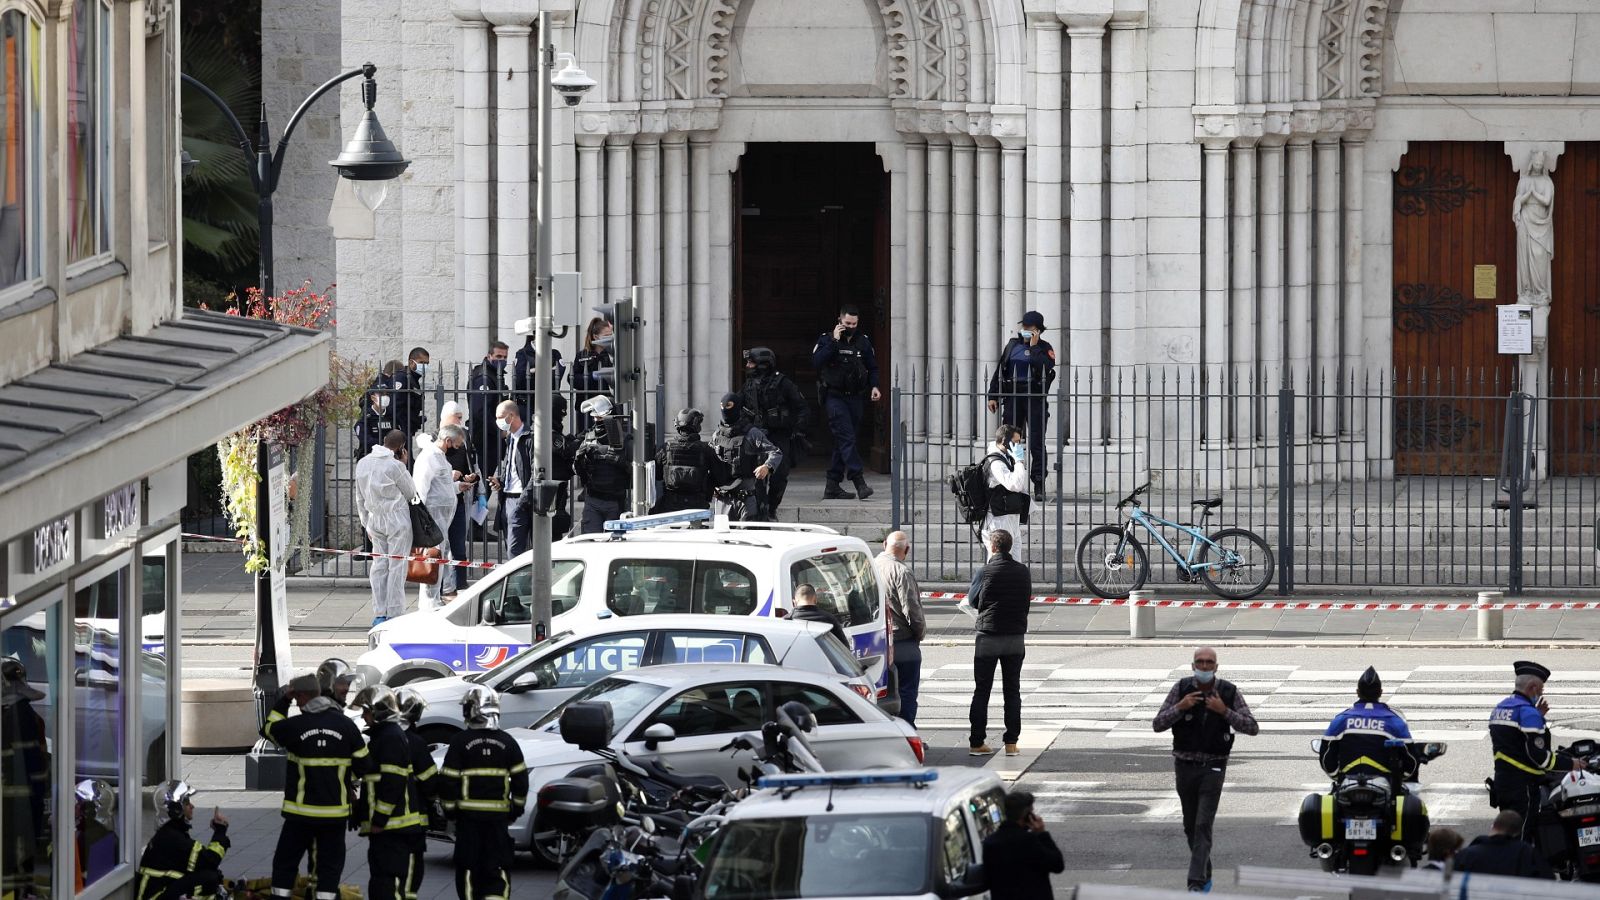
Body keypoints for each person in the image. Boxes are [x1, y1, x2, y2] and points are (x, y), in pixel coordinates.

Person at [1151, 647, 1260, 893]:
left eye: (1209, 662)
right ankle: (1205, 870)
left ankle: (1196, 883)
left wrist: (1224, 711)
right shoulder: (1181, 689)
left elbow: (1252, 727)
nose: (1204, 666)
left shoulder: (1228, 692)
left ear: (1216, 667)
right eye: (1199, 662)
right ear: (1192, 666)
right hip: (1185, 765)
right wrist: (1180, 707)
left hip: (1213, 765)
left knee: (1202, 824)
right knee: (1190, 825)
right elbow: (1157, 724)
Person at [261, 673, 369, 900]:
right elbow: (365, 766)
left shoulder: (295, 726)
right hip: (334, 816)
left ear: (300, 696)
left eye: (297, 699)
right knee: (328, 869)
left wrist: (284, 700)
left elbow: (268, 728)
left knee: (285, 864)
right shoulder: (347, 726)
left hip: (299, 815)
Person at [439, 686, 528, 900]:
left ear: (473, 710)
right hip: (498, 821)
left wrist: (450, 811)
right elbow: (521, 780)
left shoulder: (460, 742)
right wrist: (516, 807)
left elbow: (448, 780)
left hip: (468, 821)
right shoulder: (508, 742)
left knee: (469, 868)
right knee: (497, 867)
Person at [1489, 660, 1586, 843]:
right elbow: (1539, 757)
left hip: (1503, 783)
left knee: (1507, 834)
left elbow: (1514, 741)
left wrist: (1537, 715)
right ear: (1532, 687)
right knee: (1522, 837)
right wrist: (1571, 764)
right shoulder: (1528, 714)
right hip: (1524, 787)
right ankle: (1518, 870)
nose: (1541, 693)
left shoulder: (1501, 708)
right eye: (1541, 689)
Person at [348, 686, 428, 900]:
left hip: (391, 828)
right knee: (382, 884)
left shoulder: (390, 738)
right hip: (388, 828)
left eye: (366, 711)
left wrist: (379, 820)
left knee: (387, 887)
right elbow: (374, 780)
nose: (363, 716)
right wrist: (361, 811)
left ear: (378, 712)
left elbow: (393, 784)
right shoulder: (385, 736)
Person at [966, 529, 1030, 758]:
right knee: (1012, 690)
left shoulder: (984, 571)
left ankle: (977, 742)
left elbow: (973, 600)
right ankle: (1011, 742)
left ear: (992, 547)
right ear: (1009, 547)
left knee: (982, 690)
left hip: (988, 635)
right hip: (1014, 636)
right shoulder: (1023, 572)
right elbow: (1025, 601)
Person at [812, 304, 881, 500]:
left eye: (854, 323)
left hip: (856, 398)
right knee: (847, 438)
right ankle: (859, 481)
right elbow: (817, 362)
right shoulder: (827, 339)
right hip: (834, 397)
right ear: (840, 321)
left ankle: (832, 485)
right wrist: (834, 340)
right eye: (847, 323)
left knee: (844, 440)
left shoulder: (863, 341)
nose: (851, 326)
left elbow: (873, 367)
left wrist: (875, 386)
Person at [986, 311, 1056, 502]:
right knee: (1010, 440)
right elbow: (1000, 369)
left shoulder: (1044, 348)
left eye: (1029, 328)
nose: (1024, 330)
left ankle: (1039, 482)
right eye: (1023, 327)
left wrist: (1033, 348)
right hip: (1013, 396)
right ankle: (1008, 481)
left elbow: (1047, 366)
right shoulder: (1012, 345)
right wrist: (993, 395)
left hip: (1035, 397)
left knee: (1036, 442)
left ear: (1038, 331)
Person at [355, 430, 419, 625]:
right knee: (397, 565)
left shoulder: (363, 463)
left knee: (379, 566)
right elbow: (411, 493)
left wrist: (366, 522)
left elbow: (359, 496)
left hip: (375, 519)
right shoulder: (395, 466)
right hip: (396, 518)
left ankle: (380, 611)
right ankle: (395, 612)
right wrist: (404, 465)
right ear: (401, 448)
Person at [1318, 666, 1417, 789]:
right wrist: (1398, 780)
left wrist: (1337, 777)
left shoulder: (1341, 720)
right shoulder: (1395, 721)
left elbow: (1326, 758)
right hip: (1384, 788)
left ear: (1358, 692)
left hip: (1348, 785)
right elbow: (1411, 762)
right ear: (1380, 692)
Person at [739, 346, 809, 515]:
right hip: (756, 436)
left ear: (763, 365)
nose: (748, 366)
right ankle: (762, 511)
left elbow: (802, 408)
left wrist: (798, 429)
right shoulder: (748, 385)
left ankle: (771, 508)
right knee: (755, 476)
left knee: (779, 476)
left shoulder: (783, 383)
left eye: (751, 363)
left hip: (779, 436)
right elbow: (737, 404)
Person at [136, 781, 229, 900]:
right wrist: (220, 830)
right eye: (186, 802)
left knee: (210, 875)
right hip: (155, 897)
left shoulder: (170, 832)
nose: (192, 806)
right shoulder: (173, 838)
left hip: (157, 893)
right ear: (176, 809)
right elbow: (211, 860)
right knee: (209, 879)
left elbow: (203, 863)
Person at [874, 531, 924, 726]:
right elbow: (912, 610)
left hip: (877, 640)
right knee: (907, 692)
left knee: (880, 692)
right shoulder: (901, 572)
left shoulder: (870, 566)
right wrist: (919, 633)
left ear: (884, 543)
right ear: (907, 549)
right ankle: (907, 734)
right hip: (902, 639)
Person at [393, 688, 438, 900]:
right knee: (412, 863)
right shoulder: (417, 743)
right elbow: (430, 781)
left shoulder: (382, 738)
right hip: (414, 817)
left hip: (385, 818)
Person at [709, 393, 782, 521]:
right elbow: (709, 461)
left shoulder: (751, 433)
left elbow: (775, 452)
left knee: (748, 536)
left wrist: (767, 466)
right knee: (723, 538)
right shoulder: (717, 435)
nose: (725, 409)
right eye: (722, 406)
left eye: (729, 406)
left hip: (746, 499)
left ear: (736, 407)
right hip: (723, 499)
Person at [981, 791, 1064, 900]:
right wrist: (1042, 834)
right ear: (1027, 815)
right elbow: (1057, 865)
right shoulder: (1029, 841)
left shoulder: (990, 843)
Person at [412, 429, 460, 610]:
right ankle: (428, 600)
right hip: (432, 518)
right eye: (456, 445)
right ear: (447, 440)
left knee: (438, 558)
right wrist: (421, 519)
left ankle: (434, 597)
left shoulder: (440, 457)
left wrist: (457, 487)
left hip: (441, 519)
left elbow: (442, 486)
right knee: (431, 558)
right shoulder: (429, 457)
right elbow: (421, 489)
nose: (456, 448)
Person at [573, 394, 632, 534]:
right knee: (590, 542)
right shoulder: (588, 437)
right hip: (593, 500)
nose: (596, 421)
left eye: (599, 417)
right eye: (594, 417)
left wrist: (619, 461)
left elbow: (637, 475)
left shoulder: (626, 440)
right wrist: (579, 459)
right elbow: (578, 472)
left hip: (615, 502)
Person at [438, 403, 480, 594]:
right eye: (457, 417)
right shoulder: (433, 441)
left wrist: (471, 477)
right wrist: (450, 476)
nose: (460, 421)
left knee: (458, 545)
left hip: (460, 498)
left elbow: (472, 464)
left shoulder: (464, 437)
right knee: (440, 547)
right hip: (439, 503)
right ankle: (439, 585)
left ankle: (461, 584)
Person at [488, 400, 534, 555]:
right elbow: (512, 468)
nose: (498, 421)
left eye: (500, 417)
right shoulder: (510, 438)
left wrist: (523, 500)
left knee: (514, 552)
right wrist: (500, 482)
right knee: (511, 549)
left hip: (520, 499)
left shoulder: (529, 438)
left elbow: (536, 473)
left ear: (512, 416)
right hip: (506, 499)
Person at [654, 408, 720, 514]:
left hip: (670, 505)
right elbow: (717, 476)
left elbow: (657, 475)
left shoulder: (665, 448)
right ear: (696, 426)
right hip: (697, 506)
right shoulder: (705, 449)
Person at [1451, 811, 1553, 879]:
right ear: (1517, 833)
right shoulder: (1529, 855)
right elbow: (1548, 882)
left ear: (1493, 826)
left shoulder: (1466, 855)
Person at [981, 424, 1032, 554]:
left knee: (1014, 561)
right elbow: (1014, 485)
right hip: (998, 519)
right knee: (999, 562)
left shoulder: (1006, 457)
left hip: (1010, 516)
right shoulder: (996, 462)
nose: (1018, 446)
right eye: (1015, 442)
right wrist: (1019, 462)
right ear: (1004, 441)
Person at [467, 341, 510, 487]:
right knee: (486, 478)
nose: (502, 360)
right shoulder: (484, 377)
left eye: (504, 357)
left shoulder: (494, 375)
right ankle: (481, 507)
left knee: (492, 477)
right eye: (498, 356)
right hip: (485, 436)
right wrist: (499, 431)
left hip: (491, 435)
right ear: (489, 355)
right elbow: (481, 411)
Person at [570, 316, 615, 429]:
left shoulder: (614, 355)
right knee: (586, 438)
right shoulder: (582, 355)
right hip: (587, 406)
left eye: (611, 335)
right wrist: (592, 377)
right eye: (606, 336)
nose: (610, 338)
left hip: (608, 405)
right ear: (595, 336)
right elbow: (572, 379)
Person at [512, 335, 564, 423]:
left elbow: (556, 379)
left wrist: (533, 371)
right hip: (528, 403)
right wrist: (547, 370)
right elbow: (521, 381)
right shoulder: (522, 353)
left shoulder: (555, 354)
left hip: (549, 403)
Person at [789, 583, 847, 647]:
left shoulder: (786, 622)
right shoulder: (830, 619)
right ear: (815, 600)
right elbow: (844, 647)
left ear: (794, 602)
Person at [353, 381, 398, 461]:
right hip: (370, 460)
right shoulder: (366, 417)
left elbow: (398, 437)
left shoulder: (392, 415)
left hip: (389, 459)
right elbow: (366, 441)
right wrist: (386, 443)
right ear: (373, 398)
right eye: (381, 394)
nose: (385, 397)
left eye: (386, 394)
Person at [393, 348, 431, 439]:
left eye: (426, 363)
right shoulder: (402, 378)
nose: (424, 366)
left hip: (408, 429)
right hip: (399, 431)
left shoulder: (414, 380)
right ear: (411, 362)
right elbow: (396, 407)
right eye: (421, 362)